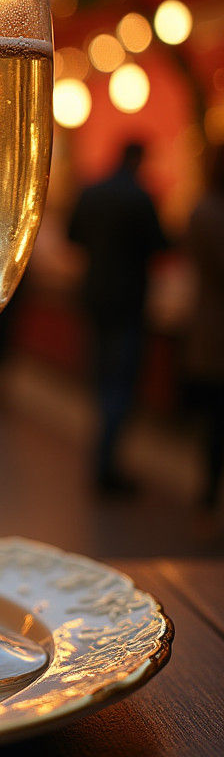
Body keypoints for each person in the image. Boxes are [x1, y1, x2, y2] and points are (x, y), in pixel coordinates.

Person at [67, 141, 169, 495]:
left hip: (95, 298)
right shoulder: (141, 198)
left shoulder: (92, 192)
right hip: (128, 302)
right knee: (121, 384)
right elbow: (161, 245)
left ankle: (100, 459)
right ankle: (107, 466)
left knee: (101, 379)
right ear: (139, 159)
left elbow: (72, 235)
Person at [185, 147, 224, 511]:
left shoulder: (201, 210)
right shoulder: (214, 213)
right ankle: (208, 499)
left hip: (206, 327)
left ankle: (206, 500)